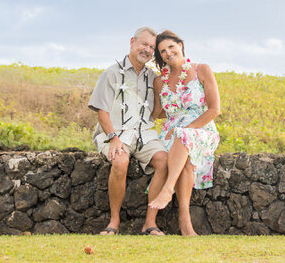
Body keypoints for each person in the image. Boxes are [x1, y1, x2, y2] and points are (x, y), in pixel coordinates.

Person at [87, 27, 169, 235]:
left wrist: (163, 92)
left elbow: (157, 114)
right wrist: (112, 138)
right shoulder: (111, 73)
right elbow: (102, 111)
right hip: (115, 132)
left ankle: (150, 223)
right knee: (121, 160)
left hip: (144, 133)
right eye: (144, 44)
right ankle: (114, 222)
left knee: (165, 161)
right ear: (132, 42)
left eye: (151, 47)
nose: (147, 50)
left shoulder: (153, 77)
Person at [147, 29, 221, 236]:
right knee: (184, 159)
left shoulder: (202, 70)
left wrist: (185, 129)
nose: (168, 53)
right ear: (160, 57)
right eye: (162, 51)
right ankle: (185, 223)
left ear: (180, 45)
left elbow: (215, 109)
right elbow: (158, 113)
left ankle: (168, 189)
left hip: (202, 127)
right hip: (170, 133)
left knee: (183, 136)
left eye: (171, 46)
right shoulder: (159, 81)